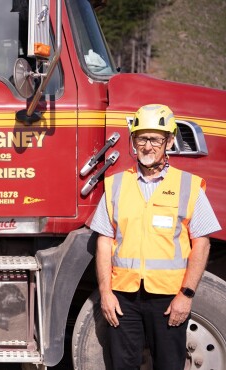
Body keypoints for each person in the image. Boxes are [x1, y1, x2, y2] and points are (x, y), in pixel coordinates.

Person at [90, 104, 221, 369]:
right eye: (141, 138)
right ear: (133, 141)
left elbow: (202, 244)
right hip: (123, 298)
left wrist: (186, 295)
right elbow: (104, 240)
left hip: (169, 300)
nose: (147, 146)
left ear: (170, 141)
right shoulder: (116, 185)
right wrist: (106, 293)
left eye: (155, 139)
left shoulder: (189, 185)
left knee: (169, 365)